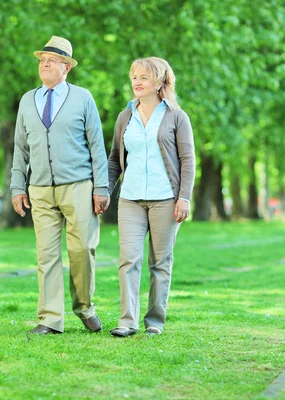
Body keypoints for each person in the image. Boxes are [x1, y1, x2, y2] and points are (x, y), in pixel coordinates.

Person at [10, 35, 109, 335]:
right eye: (42, 60)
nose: (44, 64)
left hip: (78, 185)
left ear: (66, 67)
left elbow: (97, 145)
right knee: (47, 255)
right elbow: (20, 148)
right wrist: (17, 186)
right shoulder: (28, 100)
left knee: (81, 249)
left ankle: (84, 306)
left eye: (51, 60)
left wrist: (101, 187)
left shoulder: (83, 98)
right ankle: (51, 319)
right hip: (39, 188)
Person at [107, 57, 196, 337]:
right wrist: (104, 191)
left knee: (160, 262)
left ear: (160, 83)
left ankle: (155, 320)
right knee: (128, 259)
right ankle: (127, 321)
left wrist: (184, 197)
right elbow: (114, 159)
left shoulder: (176, 117)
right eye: (134, 76)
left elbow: (187, 159)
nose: (136, 82)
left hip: (165, 198)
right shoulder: (126, 116)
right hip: (131, 198)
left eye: (144, 77)